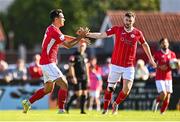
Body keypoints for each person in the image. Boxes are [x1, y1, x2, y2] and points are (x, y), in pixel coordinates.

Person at [77, 11, 156, 114]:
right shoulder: (117, 29)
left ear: (133, 21)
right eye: (126, 20)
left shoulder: (137, 33)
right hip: (115, 65)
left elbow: (145, 44)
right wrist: (88, 34)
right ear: (124, 19)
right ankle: (105, 109)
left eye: (130, 20)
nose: (128, 22)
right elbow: (101, 35)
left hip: (129, 66)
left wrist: (150, 58)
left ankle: (116, 103)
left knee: (126, 89)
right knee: (110, 88)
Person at [22, 9, 89, 114]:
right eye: (62, 17)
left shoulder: (52, 29)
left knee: (47, 90)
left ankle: (28, 102)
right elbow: (68, 45)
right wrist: (80, 37)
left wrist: (80, 39)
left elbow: (64, 37)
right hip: (48, 63)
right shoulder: (54, 31)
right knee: (64, 84)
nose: (64, 19)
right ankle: (61, 110)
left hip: (46, 63)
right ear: (56, 19)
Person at [152, 38, 179, 114]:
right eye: (163, 43)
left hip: (168, 77)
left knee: (168, 97)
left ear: (168, 44)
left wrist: (177, 64)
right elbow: (152, 63)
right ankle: (157, 101)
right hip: (159, 77)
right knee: (163, 94)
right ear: (160, 44)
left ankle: (162, 113)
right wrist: (159, 67)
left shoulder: (172, 54)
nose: (165, 44)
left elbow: (175, 65)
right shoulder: (157, 54)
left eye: (166, 42)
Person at [66, 41, 89, 114]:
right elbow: (71, 66)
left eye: (83, 46)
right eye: (81, 46)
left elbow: (87, 67)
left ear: (85, 47)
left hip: (84, 77)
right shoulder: (74, 55)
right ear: (78, 46)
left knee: (84, 93)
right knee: (78, 93)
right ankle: (67, 106)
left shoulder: (85, 55)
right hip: (77, 77)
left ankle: (82, 110)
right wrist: (73, 77)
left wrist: (88, 78)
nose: (82, 47)